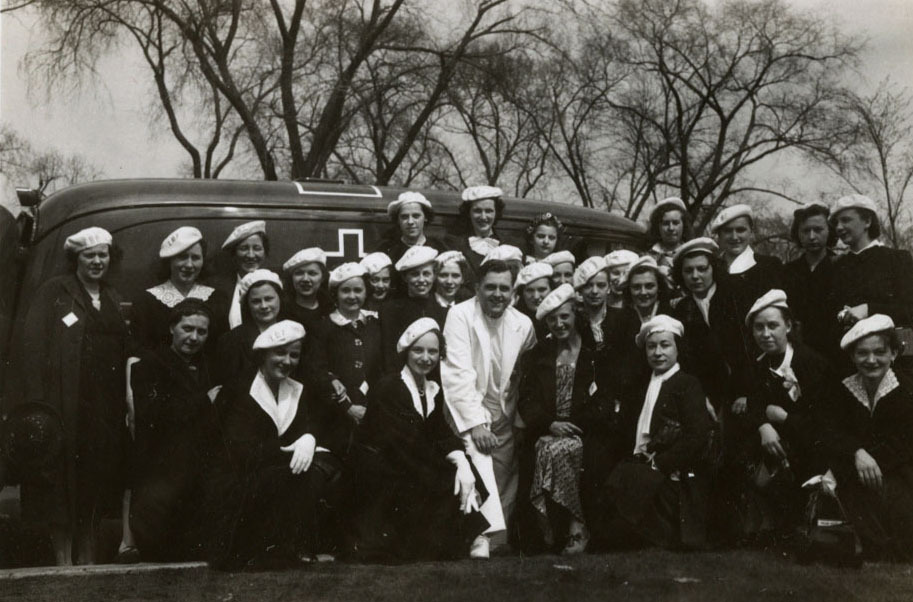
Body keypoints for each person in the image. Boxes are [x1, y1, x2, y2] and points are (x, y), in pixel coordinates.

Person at [11, 227, 131, 565]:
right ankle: (64, 566)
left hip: (103, 411)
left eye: (102, 254)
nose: (97, 261)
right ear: (75, 259)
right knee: (62, 491)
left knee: (94, 487)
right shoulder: (55, 293)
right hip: (65, 408)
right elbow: (32, 352)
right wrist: (39, 409)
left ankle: (88, 563)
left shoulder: (109, 296)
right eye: (89, 255)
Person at [351, 318, 489, 562]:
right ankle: (474, 534)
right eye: (418, 350)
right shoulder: (389, 387)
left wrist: (461, 461)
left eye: (433, 351)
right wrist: (451, 467)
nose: (426, 357)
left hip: (411, 463)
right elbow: (403, 444)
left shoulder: (431, 388)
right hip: (383, 473)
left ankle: (472, 534)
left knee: (463, 466)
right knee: (446, 479)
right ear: (406, 352)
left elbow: (440, 432)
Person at [207, 320, 341, 569]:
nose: (287, 361)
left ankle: (296, 545)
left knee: (321, 468)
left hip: (274, 475)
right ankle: (280, 547)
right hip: (239, 482)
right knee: (296, 475)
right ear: (263, 355)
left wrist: (309, 438)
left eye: (294, 355)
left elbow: (311, 423)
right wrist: (287, 451)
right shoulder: (239, 389)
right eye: (279, 353)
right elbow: (239, 449)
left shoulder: (296, 389)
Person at [441, 259, 537, 558]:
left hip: (505, 411)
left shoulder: (523, 324)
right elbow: (457, 373)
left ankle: (500, 540)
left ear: (513, 292)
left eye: (504, 288)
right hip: (467, 407)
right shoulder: (459, 315)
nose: (497, 294)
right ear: (477, 289)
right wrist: (476, 424)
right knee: (480, 462)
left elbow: (525, 376)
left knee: (506, 474)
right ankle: (480, 537)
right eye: (490, 287)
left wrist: (516, 419)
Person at [596, 315, 712, 550]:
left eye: (665, 345)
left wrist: (659, 462)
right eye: (652, 346)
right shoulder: (640, 386)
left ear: (678, 348)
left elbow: (696, 437)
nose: (658, 352)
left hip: (670, 472)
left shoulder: (687, 384)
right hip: (640, 467)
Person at [818, 314, 913, 561]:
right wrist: (857, 453)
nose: (871, 360)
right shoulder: (843, 390)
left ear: (893, 354)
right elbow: (830, 432)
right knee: (853, 494)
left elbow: (903, 443)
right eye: (862, 353)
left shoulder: (906, 390)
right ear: (852, 356)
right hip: (857, 473)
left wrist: (870, 460)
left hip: (901, 472)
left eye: (879, 352)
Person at [129, 299, 215, 561]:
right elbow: (153, 415)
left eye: (201, 331)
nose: (194, 337)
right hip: (163, 468)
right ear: (171, 328)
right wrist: (203, 401)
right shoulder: (148, 366)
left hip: (201, 465)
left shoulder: (209, 366)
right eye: (187, 328)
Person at [743, 290, 835, 535]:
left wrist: (783, 418)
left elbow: (824, 422)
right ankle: (763, 520)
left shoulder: (810, 363)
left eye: (773, 326)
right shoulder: (759, 365)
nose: (765, 334)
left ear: (789, 326)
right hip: (775, 443)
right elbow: (753, 402)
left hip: (810, 447)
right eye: (759, 327)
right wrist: (764, 426)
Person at [518, 284, 601, 554]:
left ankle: (577, 526)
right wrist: (549, 424)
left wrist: (575, 427)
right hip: (547, 428)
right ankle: (548, 527)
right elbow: (526, 400)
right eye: (552, 319)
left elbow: (604, 400)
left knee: (558, 450)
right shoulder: (538, 354)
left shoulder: (594, 354)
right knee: (546, 447)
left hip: (586, 431)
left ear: (576, 315)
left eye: (564, 316)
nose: (559, 323)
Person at [829, 195, 913, 356]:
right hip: (846, 362)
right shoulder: (836, 267)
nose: (839, 227)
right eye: (836, 223)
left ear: (867, 221)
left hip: (893, 361)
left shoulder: (897, 260)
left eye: (846, 220)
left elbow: (909, 310)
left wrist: (869, 309)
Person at [317, 263, 382, 456]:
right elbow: (317, 370)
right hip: (337, 416)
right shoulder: (323, 327)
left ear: (365, 293)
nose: (352, 296)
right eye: (345, 290)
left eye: (357, 290)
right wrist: (347, 407)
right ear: (335, 294)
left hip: (373, 412)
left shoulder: (375, 324)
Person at [132, 226, 228, 351]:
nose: (189, 265)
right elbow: (138, 351)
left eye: (195, 258)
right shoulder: (145, 302)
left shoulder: (217, 299)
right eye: (182, 257)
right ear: (169, 261)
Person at [782, 202, 838, 358]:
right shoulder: (788, 271)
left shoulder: (842, 267)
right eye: (806, 231)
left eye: (818, 230)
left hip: (835, 352)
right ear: (798, 234)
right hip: (799, 351)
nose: (812, 236)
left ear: (829, 231)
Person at [379, 245, 448, 372]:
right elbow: (389, 356)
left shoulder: (443, 309)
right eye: (415, 274)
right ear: (405, 278)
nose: (421, 280)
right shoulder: (390, 310)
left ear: (434, 276)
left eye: (426, 273)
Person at [709, 204, 783, 319]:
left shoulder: (769, 266)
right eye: (728, 231)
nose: (734, 237)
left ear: (751, 232)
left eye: (740, 230)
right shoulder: (711, 269)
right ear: (719, 235)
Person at [215, 269, 284, 384]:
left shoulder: (293, 331)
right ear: (247, 304)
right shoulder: (231, 341)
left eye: (268, 299)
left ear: (279, 299)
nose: (264, 306)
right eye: (256, 301)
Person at [212, 221, 270, 330]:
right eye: (244, 248)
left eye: (257, 248)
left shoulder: (276, 287)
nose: (251, 255)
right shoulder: (219, 289)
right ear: (234, 254)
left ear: (265, 252)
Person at [446, 185, 507, 279]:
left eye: (489, 211)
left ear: (496, 213)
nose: (483, 217)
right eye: (477, 211)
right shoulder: (454, 245)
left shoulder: (508, 244)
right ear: (468, 213)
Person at [374, 191, 446, 264]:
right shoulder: (387, 250)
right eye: (404, 217)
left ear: (425, 217)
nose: (410, 222)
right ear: (398, 220)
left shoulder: (440, 248)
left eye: (416, 216)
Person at [282, 247, 333, 333]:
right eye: (299, 273)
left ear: (322, 277)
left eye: (312, 273)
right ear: (292, 278)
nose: (305, 279)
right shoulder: (283, 311)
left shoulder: (331, 309)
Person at [622, 256, 674, 324]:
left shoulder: (672, 313)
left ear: (659, 287)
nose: (643, 292)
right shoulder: (621, 318)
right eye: (636, 287)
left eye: (649, 286)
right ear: (629, 289)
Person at [646, 197, 693, 272]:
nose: (671, 228)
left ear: (684, 225)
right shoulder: (647, 257)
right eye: (665, 223)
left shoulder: (691, 254)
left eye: (675, 223)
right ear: (658, 227)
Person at [514, 262, 553, 342]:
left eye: (542, 290)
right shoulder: (514, 320)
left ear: (551, 290)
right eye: (529, 290)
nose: (536, 296)